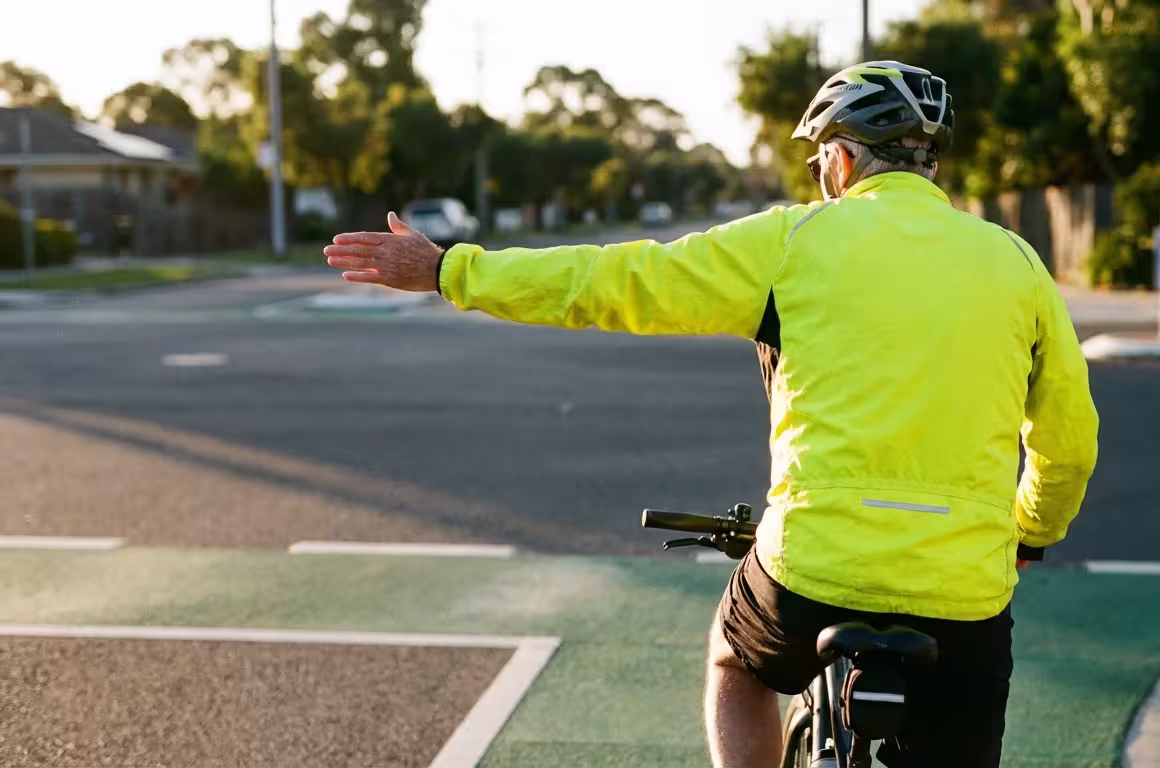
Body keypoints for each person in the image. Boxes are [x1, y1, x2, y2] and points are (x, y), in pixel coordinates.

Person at [323, 60, 1099, 768]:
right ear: (928, 161)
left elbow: (613, 280)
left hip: (814, 566)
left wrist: (451, 269)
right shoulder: (1018, 264)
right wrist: (1030, 533)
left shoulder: (792, 242)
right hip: (962, 591)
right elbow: (1069, 445)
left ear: (840, 157)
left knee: (735, 665)